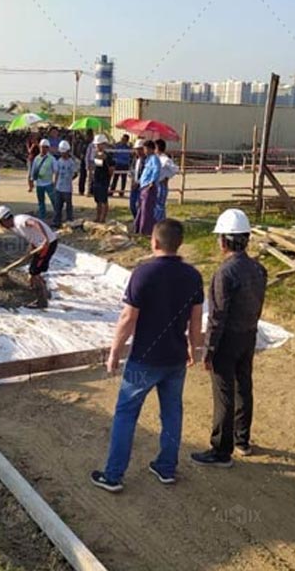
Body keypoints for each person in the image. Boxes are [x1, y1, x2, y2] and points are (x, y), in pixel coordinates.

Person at [91, 219, 204, 492]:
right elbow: (196, 319)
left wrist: (115, 351)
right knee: (172, 413)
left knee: (126, 414)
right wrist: (194, 347)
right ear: (179, 244)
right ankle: (166, 468)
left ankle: (114, 475)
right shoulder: (193, 276)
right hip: (176, 358)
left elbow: (128, 317)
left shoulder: (143, 273)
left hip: (144, 359)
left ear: (154, 242)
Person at [191, 209, 267, 468]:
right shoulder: (258, 269)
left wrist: (209, 350)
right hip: (248, 335)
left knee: (224, 392)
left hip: (227, 340)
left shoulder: (225, 273)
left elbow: (217, 316)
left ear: (224, 241)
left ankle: (221, 450)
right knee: (243, 386)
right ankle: (241, 440)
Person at [0, 205, 58, 309]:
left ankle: (42, 302)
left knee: (34, 273)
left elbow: (35, 223)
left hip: (48, 244)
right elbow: (31, 235)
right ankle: (45, 292)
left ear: (4, 220)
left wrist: (45, 239)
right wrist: (30, 250)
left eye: (1, 223)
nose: (2, 226)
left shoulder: (20, 220)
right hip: (40, 244)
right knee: (35, 271)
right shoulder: (15, 226)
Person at [133, 140, 161, 236]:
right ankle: (139, 228)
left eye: (145, 148)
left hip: (149, 187)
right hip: (143, 186)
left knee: (147, 210)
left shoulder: (154, 159)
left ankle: (146, 231)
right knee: (142, 208)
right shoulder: (148, 159)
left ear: (150, 149)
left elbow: (156, 170)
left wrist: (152, 182)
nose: (144, 150)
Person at [28, 138, 57, 219]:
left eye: (45, 147)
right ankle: (42, 218)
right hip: (39, 184)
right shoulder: (36, 159)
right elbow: (33, 171)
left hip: (49, 183)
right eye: (42, 147)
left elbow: (56, 171)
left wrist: (55, 182)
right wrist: (31, 182)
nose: (43, 149)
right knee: (41, 202)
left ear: (48, 148)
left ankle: (57, 216)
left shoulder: (51, 159)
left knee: (54, 201)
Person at [52, 140, 78, 228]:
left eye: (64, 152)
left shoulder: (71, 162)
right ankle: (56, 221)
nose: (63, 154)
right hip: (59, 187)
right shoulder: (59, 161)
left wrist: (70, 179)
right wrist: (55, 185)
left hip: (67, 188)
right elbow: (57, 174)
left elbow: (75, 173)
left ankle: (69, 221)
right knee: (57, 206)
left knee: (68, 206)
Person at [91, 134, 115, 223]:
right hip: (97, 180)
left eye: (99, 144)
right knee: (98, 200)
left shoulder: (108, 156)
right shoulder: (96, 155)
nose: (97, 146)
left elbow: (111, 169)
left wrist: (108, 178)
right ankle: (98, 216)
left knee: (103, 200)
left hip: (104, 181)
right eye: (96, 144)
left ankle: (103, 218)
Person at [155, 139, 179, 222]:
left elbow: (175, 169)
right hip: (155, 184)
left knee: (160, 205)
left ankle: (160, 222)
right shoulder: (155, 158)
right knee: (155, 204)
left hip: (161, 184)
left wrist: (167, 177)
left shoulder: (165, 159)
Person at [129, 138, 145, 218]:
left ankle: (139, 221)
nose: (138, 151)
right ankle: (136, 219)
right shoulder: (135, 160)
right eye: (136, 149)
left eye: (140, 149)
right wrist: (132, 180)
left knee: (139, 205)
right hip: (134, 185)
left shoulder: (147, 161)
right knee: (132, 205)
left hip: (141, 186)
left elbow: (145, 174)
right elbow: (131, 171)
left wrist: (138, 182)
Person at [78, 129, 96, 196]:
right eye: (88, 135)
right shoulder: (83, 143)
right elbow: (80, 151)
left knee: (92, 177)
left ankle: (91, 191)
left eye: (91, 135)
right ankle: (81, 190)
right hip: (84, 160)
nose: (90, 137)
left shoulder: (93, 144)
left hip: (92, 161)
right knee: (83, 175)